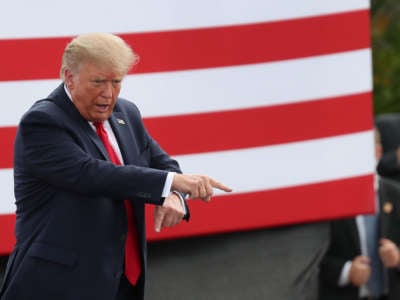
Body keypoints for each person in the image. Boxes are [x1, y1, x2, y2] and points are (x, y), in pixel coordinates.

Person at [0, 32, 232, 300]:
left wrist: (175, 194)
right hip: (58, 284)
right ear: (69, 76)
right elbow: (91, 174)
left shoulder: (126, 114)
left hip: (121, 282)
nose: (108, 94)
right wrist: (169, 183)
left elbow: (161, 163)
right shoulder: (43, 122)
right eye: (98, 82)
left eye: (116, 82)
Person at [318, 128, 400, 300]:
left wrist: (397, 258)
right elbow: (312, 258)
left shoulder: (396, 194)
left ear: (377, 152)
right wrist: (347, 271)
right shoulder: (328, 200)